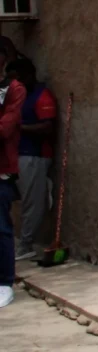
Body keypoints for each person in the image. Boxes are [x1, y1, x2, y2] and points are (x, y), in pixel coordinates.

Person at [11, 59, 56, 261]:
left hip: (33, 155)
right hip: (15, 155)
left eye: (17, 78)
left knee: (32, 202)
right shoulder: (16, 96)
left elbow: (48, 127)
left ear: (28, 76)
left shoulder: (41, 95)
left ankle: (26, 244)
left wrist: (18, 128)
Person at [0, 39, 28, 309]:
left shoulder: (13, 90)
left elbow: (5, 128)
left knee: (2, 229)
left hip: (2, 171)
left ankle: (5, 282)